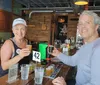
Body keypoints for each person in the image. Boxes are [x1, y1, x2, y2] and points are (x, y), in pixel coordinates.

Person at [52, 10, 100, 85]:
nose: (83, 26)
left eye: (87, 23)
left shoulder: (98, 49)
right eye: (80, 23)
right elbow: (72, 61)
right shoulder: (85, 46)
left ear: (96, 26)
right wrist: (57, 53)